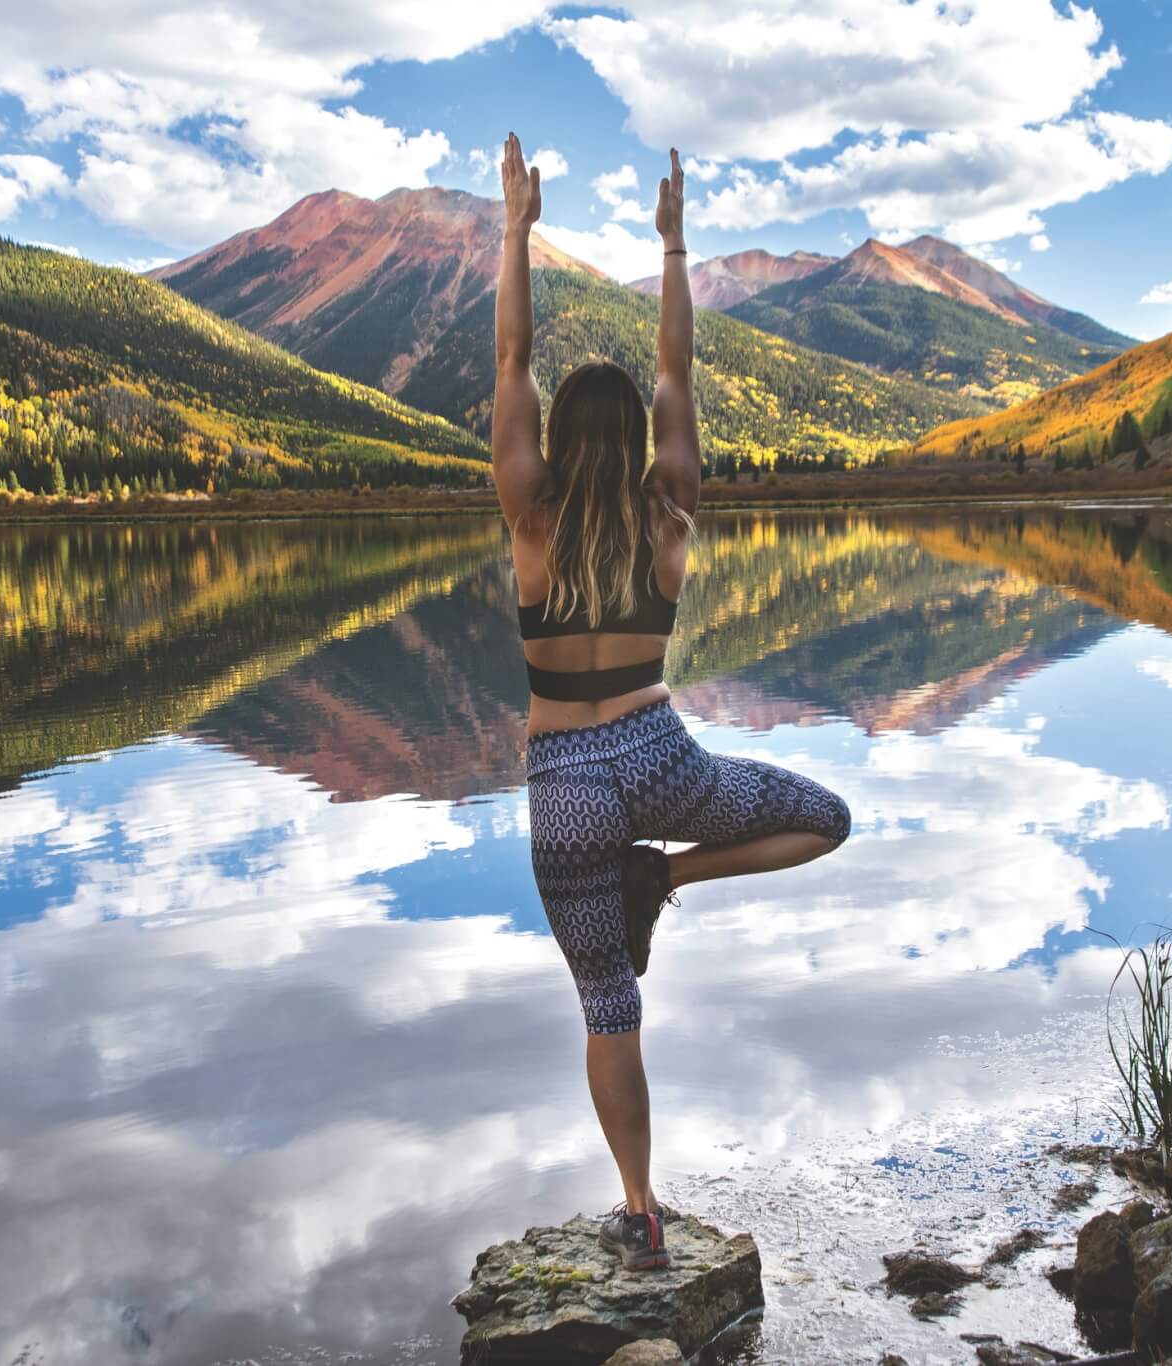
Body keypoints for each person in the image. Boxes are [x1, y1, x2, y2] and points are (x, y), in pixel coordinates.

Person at [493, 134, 852, 1273]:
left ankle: (639, 1211)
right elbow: (678, 376)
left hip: (561, 783)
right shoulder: (669, 512)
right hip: (659, 758)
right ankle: (672, 876)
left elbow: (509, 360)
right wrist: (671, 243)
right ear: (641, 441)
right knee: (822, 816)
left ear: (554, 440)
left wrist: (513, 230)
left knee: (608, 1010)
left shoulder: (529, 517)